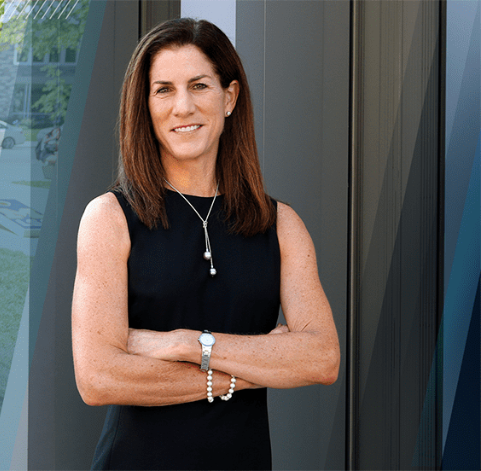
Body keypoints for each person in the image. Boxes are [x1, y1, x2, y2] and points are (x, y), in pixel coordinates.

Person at [69, 18, 339, 469]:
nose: (182, 106)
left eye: (199, 86)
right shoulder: (109, 218)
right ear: (145, 105)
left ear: (229, 97)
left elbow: (321, 357)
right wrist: (253, 368)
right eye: (164, 90)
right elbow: (98, 377)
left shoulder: (281, 225)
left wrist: (187, 344)